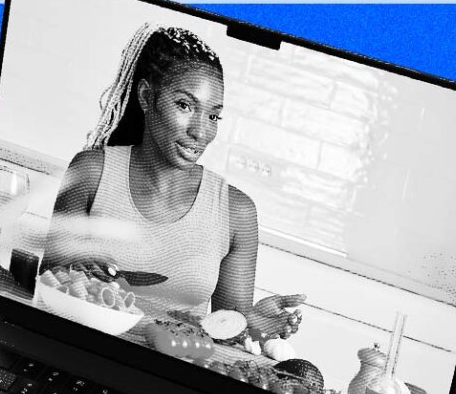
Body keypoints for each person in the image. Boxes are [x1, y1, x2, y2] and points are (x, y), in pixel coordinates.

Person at [41, 24, 304, 341]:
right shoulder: (91, 172)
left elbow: (226, 332)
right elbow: (48, 285)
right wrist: (73, 268)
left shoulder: (237, 212)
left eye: (213, 116)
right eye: (185, 105)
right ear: (147, 96)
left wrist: (254, 323)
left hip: (174, 370)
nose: (201, 132)